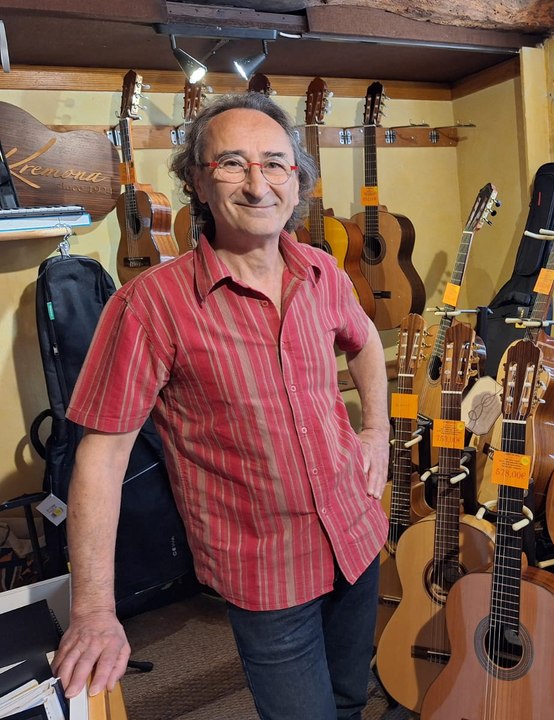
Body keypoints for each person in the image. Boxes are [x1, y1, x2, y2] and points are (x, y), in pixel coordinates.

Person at [51, 92, 389, 720]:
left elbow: (365, 340)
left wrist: (377, 433)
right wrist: (94, 610)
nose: (258, 184)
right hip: (267, 571)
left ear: (297, 180)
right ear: (199, 184)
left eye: (275, 164)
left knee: (351, 697)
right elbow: (100, 460)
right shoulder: (148, 305)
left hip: (357, 533)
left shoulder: (322, 271)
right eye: (232, 163)